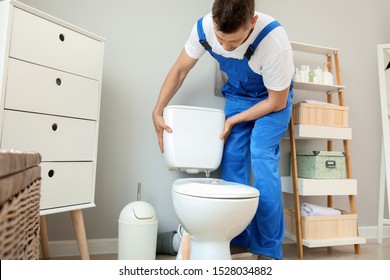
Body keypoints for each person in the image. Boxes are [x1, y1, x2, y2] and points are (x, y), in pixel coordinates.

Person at [152, 0, 294, 260]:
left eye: (235, 42)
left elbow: (277, 101)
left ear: (251, 24)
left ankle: (267, 249)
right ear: (214, 21)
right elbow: (181, 69)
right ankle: (237, 238)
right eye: (221, 39)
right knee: (231, 160)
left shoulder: (274, 41)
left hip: (272, 100)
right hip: (239, 95)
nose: (226, 48)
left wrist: (233, 120)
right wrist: (158, 109)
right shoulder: (204, 28)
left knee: (261, 157)